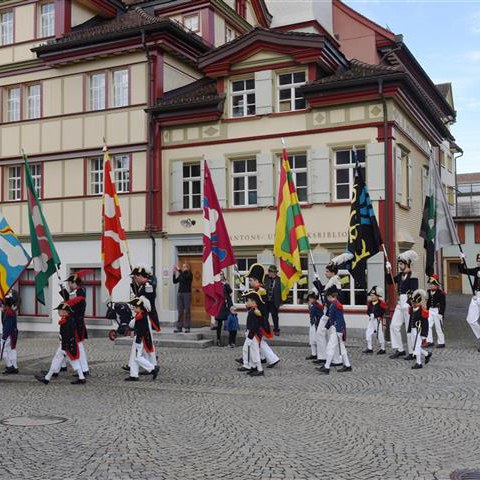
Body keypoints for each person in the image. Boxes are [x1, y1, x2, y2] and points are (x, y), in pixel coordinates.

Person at [35, 303, 86, 385]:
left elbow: (68, 334)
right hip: (65, 345)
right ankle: (47, 378)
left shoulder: (68, 321)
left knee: (73, 361)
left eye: (60, 310)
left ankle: (47, 378)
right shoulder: (65, 320)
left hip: (67, 345)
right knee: (58, 360)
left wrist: (65, 346)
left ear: (65, 312)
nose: (58, 312)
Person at [312, 256, 348, 366]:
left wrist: (323, 289)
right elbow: (324, 291)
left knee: (333, 336)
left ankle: (336, 360)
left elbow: (336, 296)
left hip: (331, 313)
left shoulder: (335, 281)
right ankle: (323, 357)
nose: (325, 273)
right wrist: (316, 281)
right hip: (326, 312)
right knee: (320, 333)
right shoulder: (330, 281)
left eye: (327, 271)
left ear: (333, 272)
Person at [385, 250, 419, 360]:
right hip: (400, 303)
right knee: (394, 326)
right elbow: (390, 281)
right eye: (399, 264)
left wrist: (409, 303)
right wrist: (388, 270)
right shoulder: (400, 276)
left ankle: (413, 352)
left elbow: (414, 292)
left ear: (407, 264)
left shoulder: (413, 276)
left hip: (408, 304)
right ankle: (400, 349)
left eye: (401, 264)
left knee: (409, 330)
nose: (400, 266)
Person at [246, 263, 280, 369]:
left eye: (251, 280)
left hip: (258, 319)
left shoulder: (261, 291)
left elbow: (262, 307)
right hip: (256, 318)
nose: (250, 282)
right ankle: (261, 358)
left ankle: (269, 359)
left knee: (257, 341)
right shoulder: (256, 290)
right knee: (257, 341)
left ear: (257, 280)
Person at [317, 286, 352, 374]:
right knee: (342, 347)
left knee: (331, 347)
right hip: (335, 328)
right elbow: (331, 318)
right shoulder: (334, 304)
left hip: (337, 329)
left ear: (330, 296)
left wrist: (339, 331)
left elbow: (339, 319)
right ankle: (347, 365)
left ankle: (327, 366)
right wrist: (326, 327)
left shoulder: (337, 305)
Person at [124, 297, 159, 382]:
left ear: (140, 308)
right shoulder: (142, 315)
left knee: (137, 357)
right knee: (133, 357)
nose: (134, 308)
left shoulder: (139, 316)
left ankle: (152, 368)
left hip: (139, 338)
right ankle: (134, 375)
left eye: (135, 307)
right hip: (140, 337)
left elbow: (132, 325)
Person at [64, 273, 89, 376]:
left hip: (77, 323)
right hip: (73, 322)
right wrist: (63, 290)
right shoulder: (74, 293)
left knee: (78, 346)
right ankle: (82, 369)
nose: (69, 285)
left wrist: (66, 303)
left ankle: (83, 369)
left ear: (74, 282)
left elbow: (74, 303)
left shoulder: (80, 292)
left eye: (70, 283)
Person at [237, 290, 264, 377]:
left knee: (255, 351)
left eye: (248, 301)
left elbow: (254, 326)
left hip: (253, 334)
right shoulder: (252, 310)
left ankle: (259, 369)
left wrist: (250, 337)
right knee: (250, 351)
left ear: (253, 302)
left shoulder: (255, 311)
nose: (247, 302)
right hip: (251, 333)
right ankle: (253, 367)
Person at [459, 252, 480, 350]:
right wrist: (462, 260)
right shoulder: (476, 270)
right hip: (476, 297)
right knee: (470, 320)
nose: (479, 261)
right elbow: (463, 270)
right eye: (478, 260)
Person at [407, 289, 432, 369]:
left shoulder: (422, 311)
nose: (413, 303)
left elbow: (425, 324)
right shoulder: (411, 310)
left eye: (415, 302)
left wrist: (424, 335)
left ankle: (419, 363)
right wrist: (409, 330)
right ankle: (426, 354)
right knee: (414, 345)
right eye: (412, 302)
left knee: (417, 346)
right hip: (413, 329)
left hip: (419, 331)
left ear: (418, 303)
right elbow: (411, 320)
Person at [363, 286, 387, 355]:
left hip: (378, 320)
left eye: (373, 295)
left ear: (377, 296)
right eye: (371, 295)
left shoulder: (381, 303)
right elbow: (368, 311)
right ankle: (369, 348)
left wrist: (376, 315)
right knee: (368, 332)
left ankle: (383, 348)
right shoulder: (370, 303)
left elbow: (382, 312)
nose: (372, 297)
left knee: (380, 334)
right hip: (371, 320)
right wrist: (370, 314)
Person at [426, 274, 446, 348]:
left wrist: (441, 313)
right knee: (428, 325)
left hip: (437, 311)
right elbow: (428, 302)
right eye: (430, 284)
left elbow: (443, 304)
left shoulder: (441, 293)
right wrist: (427, 310)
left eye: (432, 284)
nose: (431, 286)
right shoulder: (428, 292)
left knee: (439, 327)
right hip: (430, 310)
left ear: (436, 285)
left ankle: (441, 342)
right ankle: (429, 341)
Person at [173, 263, 193, 333]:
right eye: (183, 266)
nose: (183, 268)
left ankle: (187, 327)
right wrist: (174, 273)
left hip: (187, 293)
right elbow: (175, 281)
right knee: (180, 311)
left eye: (185, 267)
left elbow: (186, 277)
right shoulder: (181, 274)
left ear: (188, 268)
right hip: (180, 293)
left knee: (187, 311)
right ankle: (179, 327)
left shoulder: (189, 274)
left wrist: (179, 270)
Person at [214, 272, 233, 346]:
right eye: (220, 274)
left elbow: (230, 291)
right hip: (220, 305)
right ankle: (218, 340)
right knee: (219, 323)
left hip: (227, 304)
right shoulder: (216, 284)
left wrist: (226, 284)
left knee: (230, 322)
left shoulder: (226, 283)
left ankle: (231, 341)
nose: (221, 276)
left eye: (222, 274)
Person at [1, 296, 18, 374]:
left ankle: (9, 366)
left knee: (2, 350)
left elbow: (7, 326)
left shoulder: (8, 312)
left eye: (2, 305)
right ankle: (15, 367)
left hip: (9, 334)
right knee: (11, 350)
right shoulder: (10, 311)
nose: (1, 306)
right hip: (13, 333)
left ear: (6, 305)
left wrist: (4, 337)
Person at [263, 265, 282, 336]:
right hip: (266, 301)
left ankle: (276, 330)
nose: (269, 273)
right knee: (265, 317)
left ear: (274, 273)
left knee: (275, 317)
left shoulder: (279, 280)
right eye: (269, 271)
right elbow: (263, 287)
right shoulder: (266, 279)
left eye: (270, 272)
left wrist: (280, 301)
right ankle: (266, 330)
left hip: (274, 302)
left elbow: (281, 291)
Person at [305, 292, 323, 360]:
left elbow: (315, 315)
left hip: (316, 325)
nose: (309, 300)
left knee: (315, 339)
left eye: (310, 299)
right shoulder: (314, 305)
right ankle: (314, 353)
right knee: (312, 339)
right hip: (313, 324)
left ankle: (318, 354)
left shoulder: (316, 306)